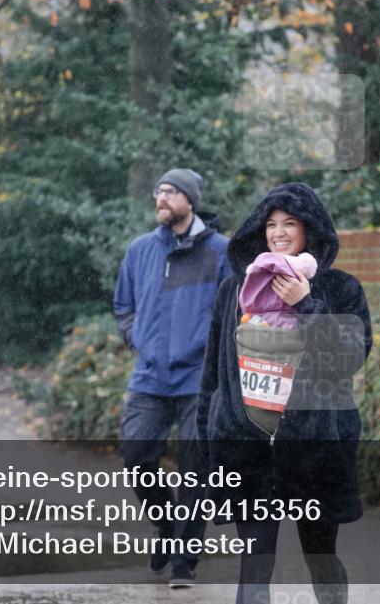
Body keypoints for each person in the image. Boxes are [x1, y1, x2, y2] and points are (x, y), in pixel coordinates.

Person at [197, 183, 372, 604]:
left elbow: (346, 359)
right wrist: (208, 439)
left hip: (314, 454)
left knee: (320, 557)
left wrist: (307, 303)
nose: (278, 232)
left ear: (309, 230)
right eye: (271, 224)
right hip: (249, 451)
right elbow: (213, 376)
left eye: (289, 224)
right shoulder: (233, 291)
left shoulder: (341, 289)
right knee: (255, 564)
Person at [114, 168, 231, 588]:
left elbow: (235, 311)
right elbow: (123, 305)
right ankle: (167, 527)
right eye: (158, 191)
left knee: (196, 471)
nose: (161, 198)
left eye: (171, 192)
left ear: (190, 200)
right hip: (149, 376)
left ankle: (185, 560)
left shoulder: (221, 251)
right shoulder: (140, 250)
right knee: (135, 456)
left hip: (200, 381)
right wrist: (138, 339)